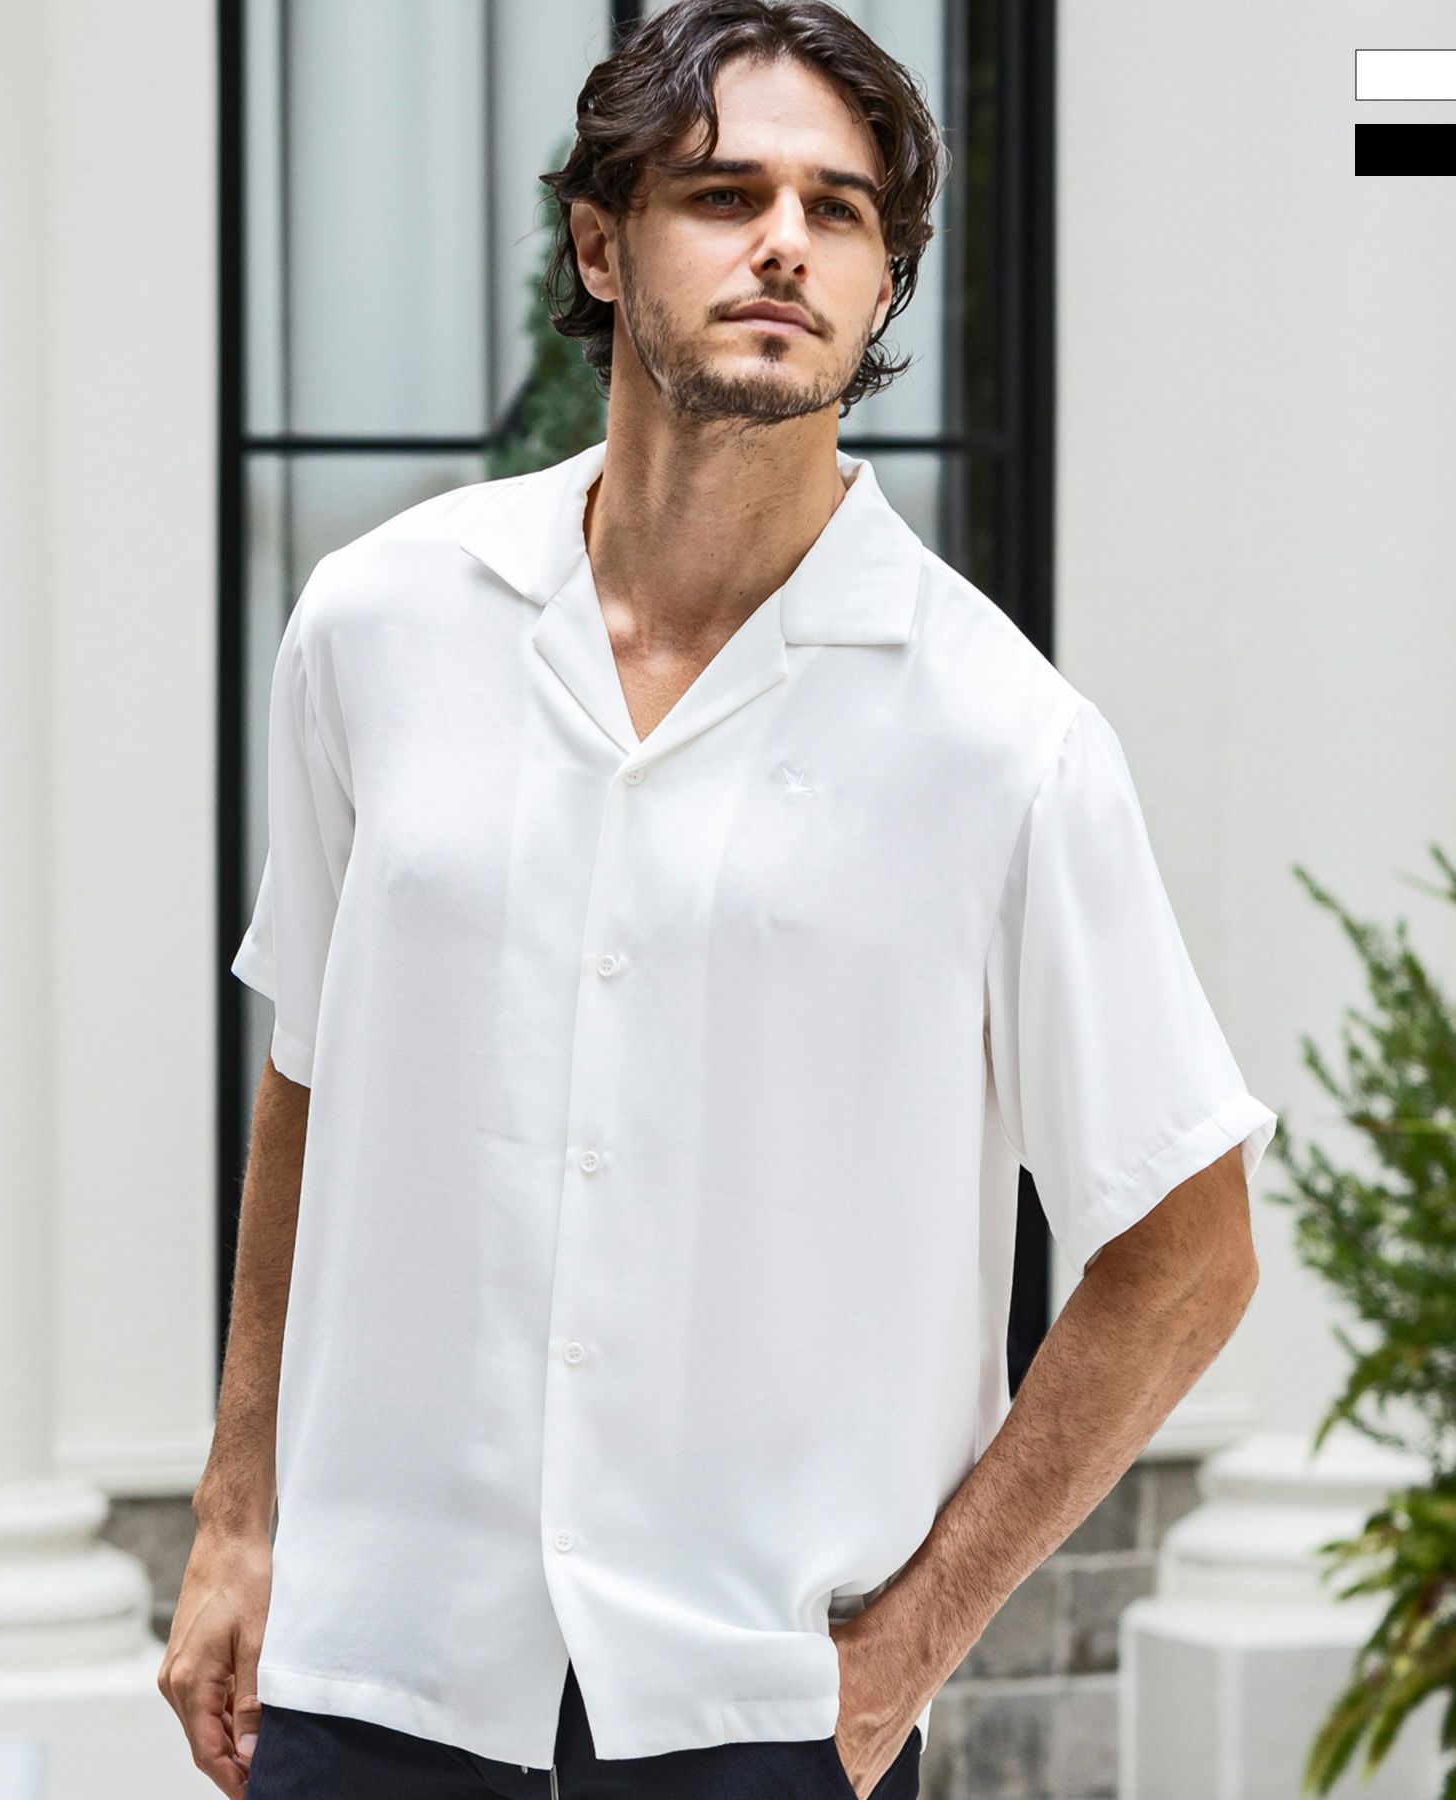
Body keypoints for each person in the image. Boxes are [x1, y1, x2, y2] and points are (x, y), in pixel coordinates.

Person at [159, 2, 1278, 1796]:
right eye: (723, 193)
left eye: (839, 211)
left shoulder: (1004, 740)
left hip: (751, 1717)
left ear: (885, 281)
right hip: (373, 1668)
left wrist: (907, 1650)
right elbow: (312, 1068)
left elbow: (1190, 1251)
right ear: (601, 246)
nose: (785, 243)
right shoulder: (379, 625)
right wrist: (237, 1511)